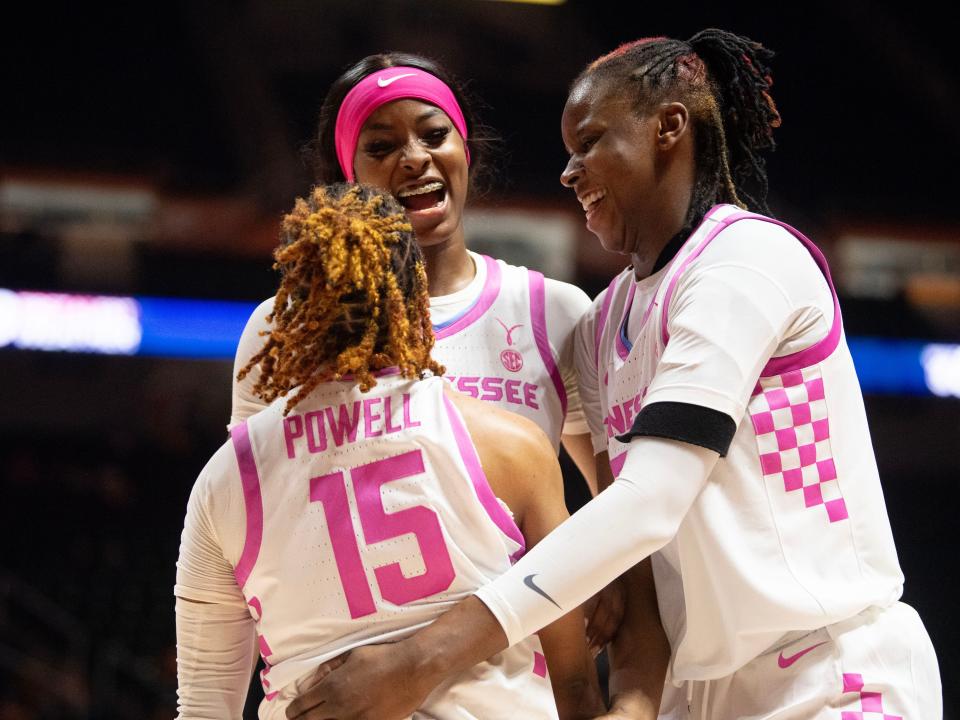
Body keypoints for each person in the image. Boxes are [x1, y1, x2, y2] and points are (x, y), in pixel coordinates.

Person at [283, 29, 943, 720]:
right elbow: (630, 561)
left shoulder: (748, 260)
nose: (568, 173)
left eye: (590, 142)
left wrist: (423, 657)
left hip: (829, 671)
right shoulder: (599, 327)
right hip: (699, 693)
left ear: (669, 127)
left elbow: (647, 504)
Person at [174, 182, 606, 719]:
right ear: (414, 303)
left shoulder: (225, 481)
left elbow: (203, 709)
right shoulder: (511, 445)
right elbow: (578, 692)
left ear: (288, 317)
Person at [231, 51, 600, 503]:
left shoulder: (554, 310)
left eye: (434, 135)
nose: (413, 158)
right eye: (381, 147)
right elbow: (252, 505)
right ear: (350, 177)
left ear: (466, 151)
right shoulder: (288, 325)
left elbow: (614, 504)